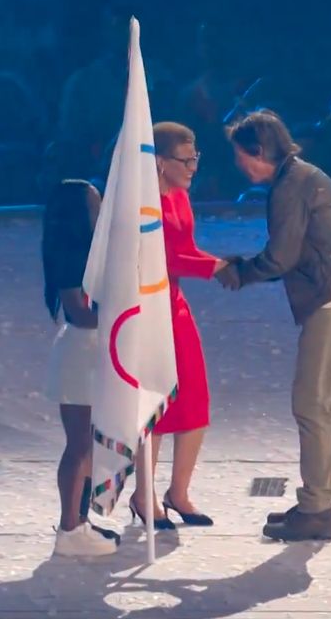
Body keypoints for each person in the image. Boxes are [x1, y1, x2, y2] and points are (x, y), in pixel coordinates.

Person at [216, 110, 331, 542]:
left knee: (311, 404)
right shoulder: (301, 176)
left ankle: (318, 508)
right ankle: (321, 501)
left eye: (240, 157)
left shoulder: (291, 185)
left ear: (260, 151)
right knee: (327, 405)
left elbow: (281, 256)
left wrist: (241, 272)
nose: (238, 166)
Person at [130, 122, 226, 529]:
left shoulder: (182, 197)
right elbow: (166, 259)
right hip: (148, 307)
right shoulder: (141, 203)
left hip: (176, 306)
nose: (192, 167)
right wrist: (222, 269)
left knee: (194, 401)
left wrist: (219, 265)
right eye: (185, 160)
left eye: (196, 159)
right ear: (160, 161)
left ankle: (179, 493)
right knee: (155, 407)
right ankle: (144, 496)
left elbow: (186, 250)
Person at [41, 179, 119, 557]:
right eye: (96, 203)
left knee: (87, 444)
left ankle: (79, 521)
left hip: (90, 352)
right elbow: (80, 313)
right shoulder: (71, 255)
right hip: (80, 354)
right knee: (79, 445)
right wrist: (120, 314)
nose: (102, 207)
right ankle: (70, 527)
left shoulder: (88, 252)